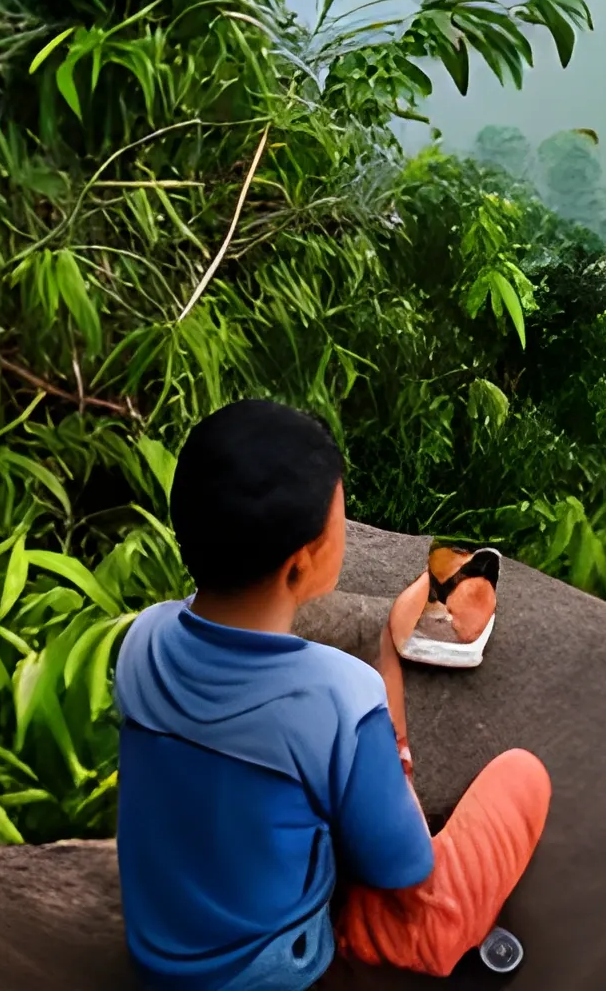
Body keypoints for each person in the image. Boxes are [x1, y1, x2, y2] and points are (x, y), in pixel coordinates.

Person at [114, 399, 551, 989]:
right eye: (339, 521)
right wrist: (387, 675)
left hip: (162, 950)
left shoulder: (143, 637)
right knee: (522, 778)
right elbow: (406, 868)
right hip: (270, 968)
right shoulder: (339, 698)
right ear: (300, 565)